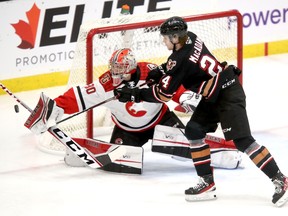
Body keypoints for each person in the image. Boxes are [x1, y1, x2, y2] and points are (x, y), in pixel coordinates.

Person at [113, 17, 288, 207]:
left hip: (228, 94)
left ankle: (281, 180)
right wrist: (162, 70)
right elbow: (176, 64)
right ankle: (207, 182)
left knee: (243, 140)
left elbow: (163, 95)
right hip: (214, 94)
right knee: (194, 130)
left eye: (165, 38)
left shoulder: (180, 59)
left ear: (174, 37)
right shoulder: (191, 38)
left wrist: (133, 95)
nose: (163, 41)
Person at [24, 48, 241, 174]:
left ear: (131, 68)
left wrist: (184, 97)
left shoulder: (153, 73)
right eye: (114, 69)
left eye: (120, 70)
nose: (116, 74)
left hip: (160, 120)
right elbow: (80, 95)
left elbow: (172, 86)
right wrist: (55, 107)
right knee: (121, 161)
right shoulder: (107, 85)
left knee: (185, 148)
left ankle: (226, 153)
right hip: (127, 130)